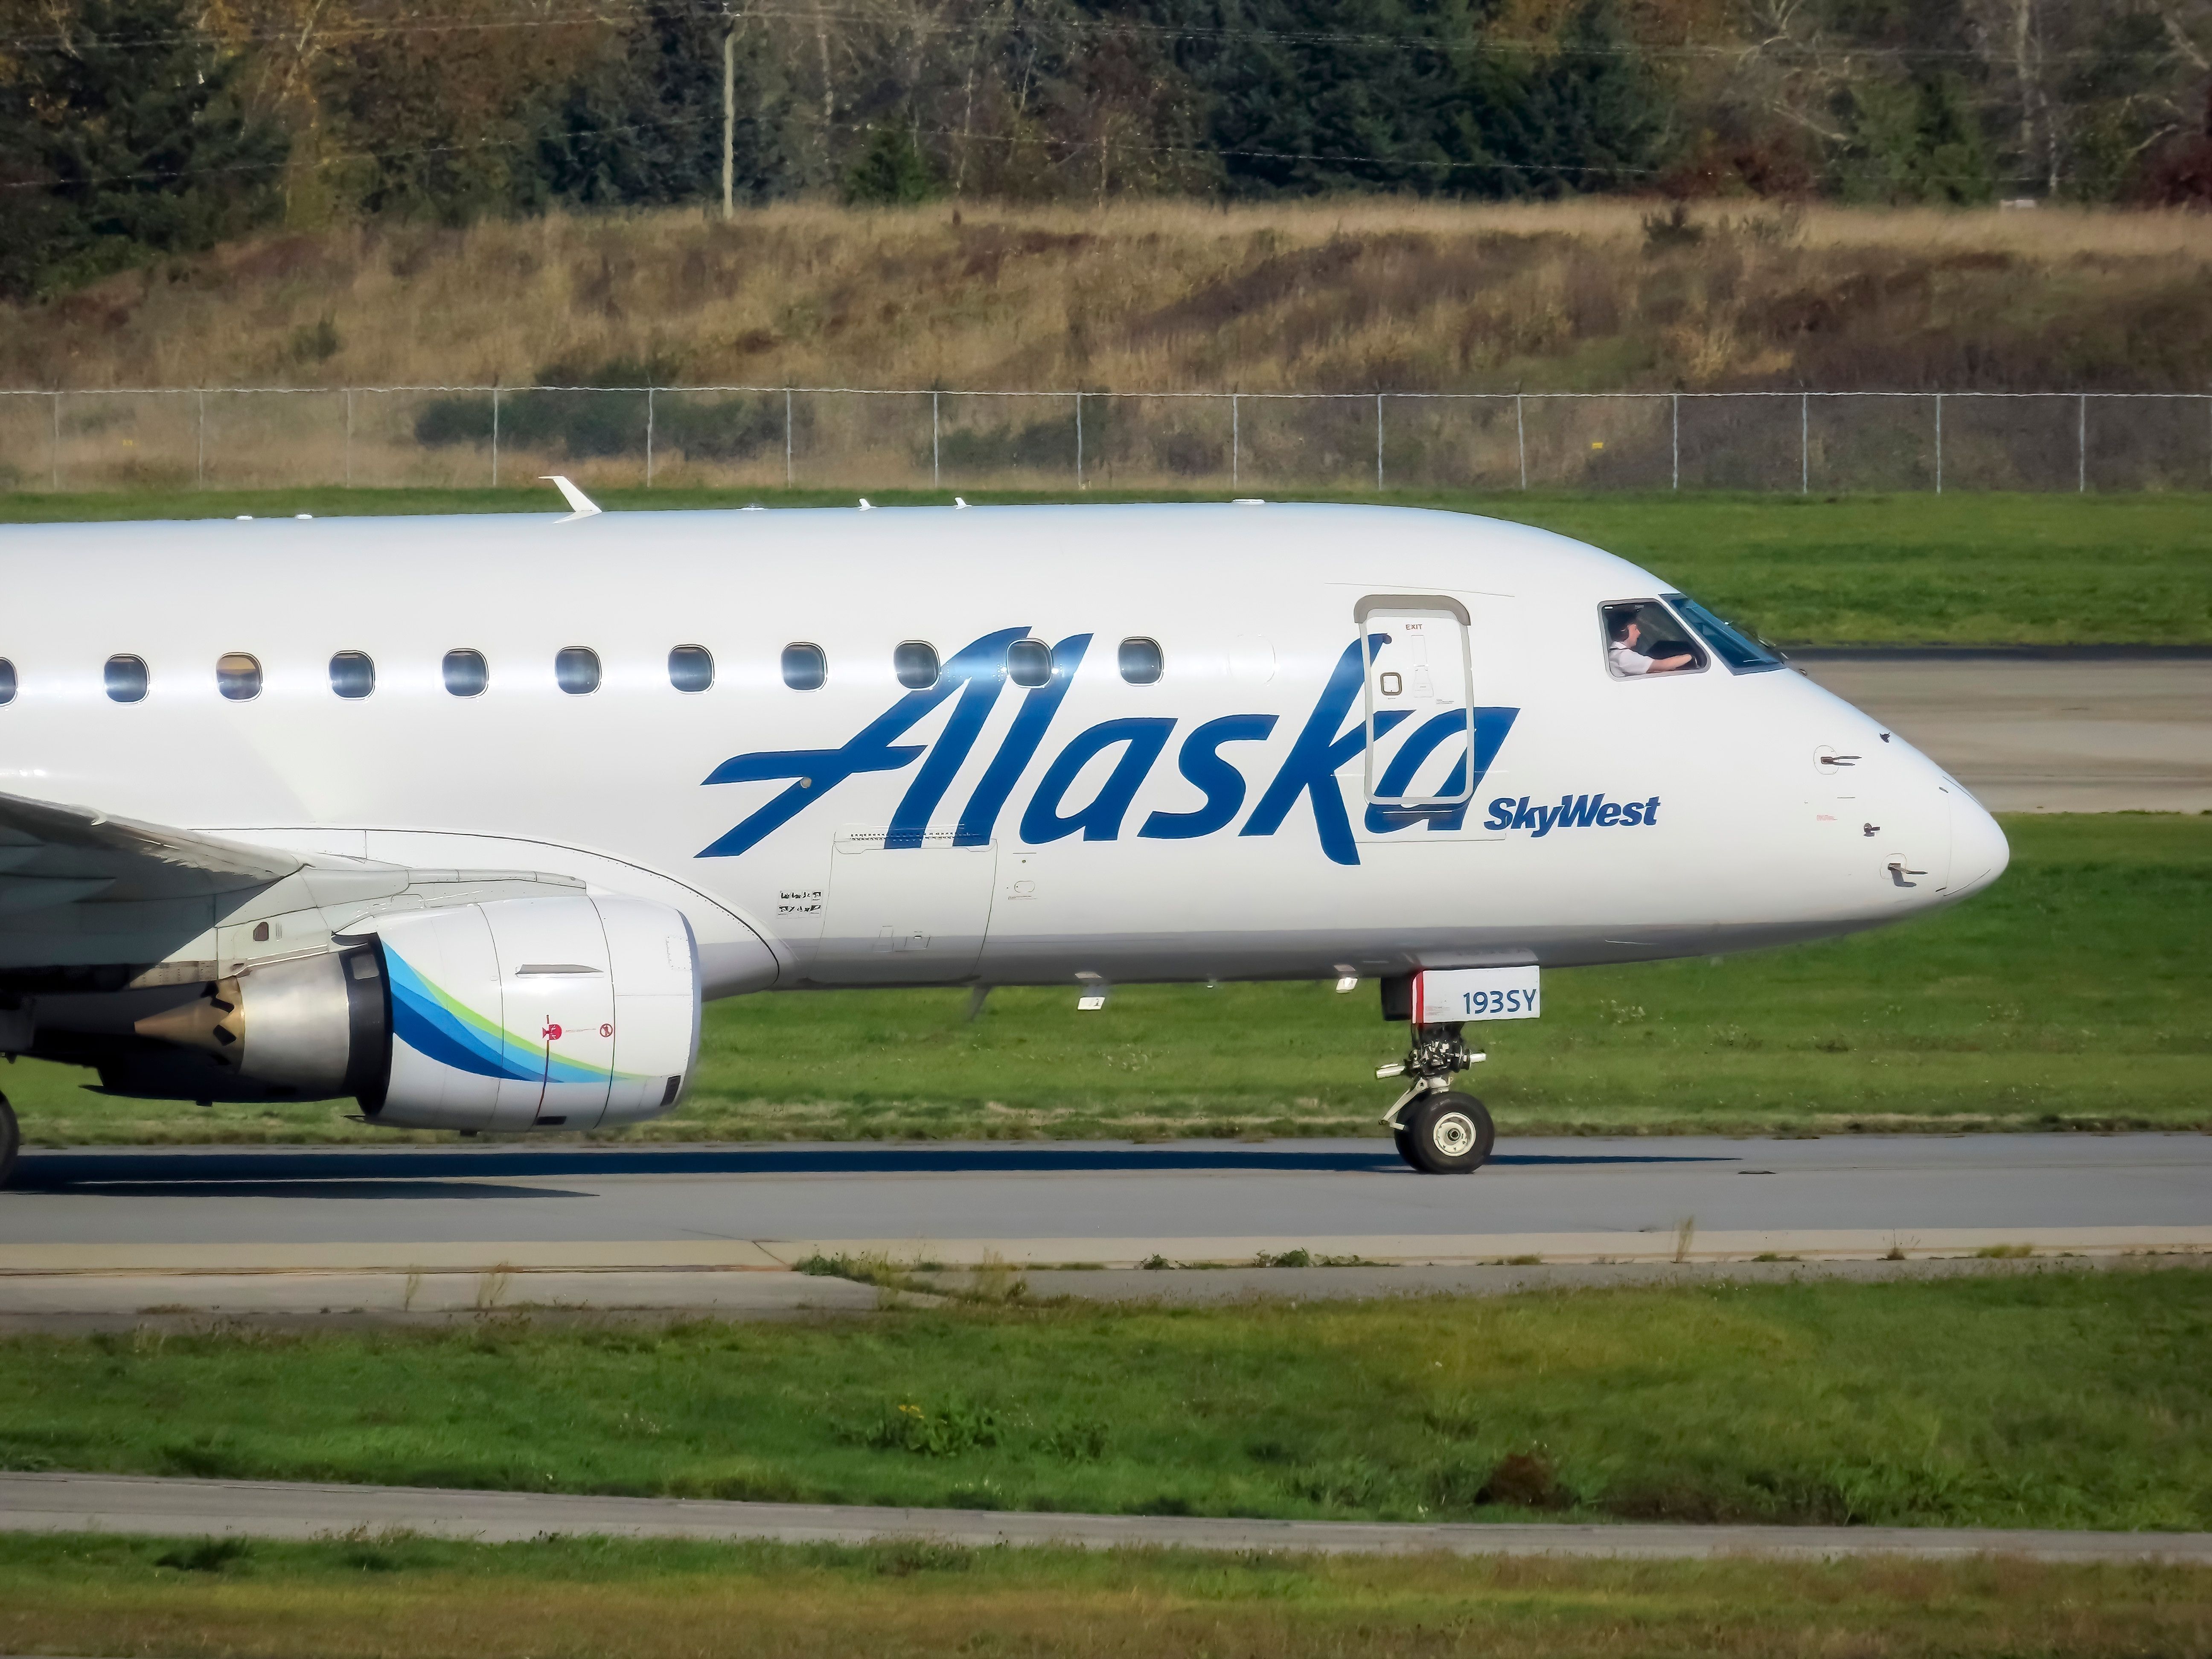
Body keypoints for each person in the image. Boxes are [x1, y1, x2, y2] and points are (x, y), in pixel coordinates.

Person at [1608, 612, 1694, 676]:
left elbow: (1654, 671)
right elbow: (1664, 665)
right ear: (1624, 631)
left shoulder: (1616, 654)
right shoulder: (1623, 657)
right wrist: (1692, 656)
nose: (1639, 633)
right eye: (1635, 629)